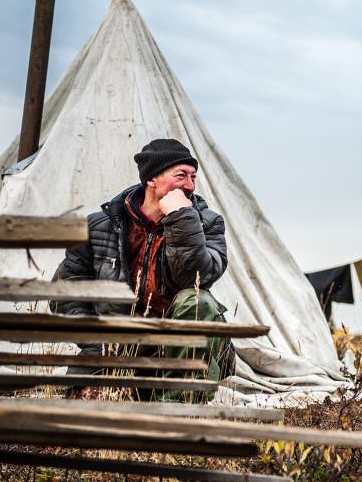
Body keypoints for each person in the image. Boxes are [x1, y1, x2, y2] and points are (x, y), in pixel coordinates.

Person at [51, 138, 234, 400]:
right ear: (151, 179)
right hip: (115, 350)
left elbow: (195, 278)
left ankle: (177, 416)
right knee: (79, 423)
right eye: (180, 175)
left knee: (196, 301)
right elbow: (64, 292)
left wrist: (180, 218)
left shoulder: (207, 224)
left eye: (193, 177)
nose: (190, 185)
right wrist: (99, 344)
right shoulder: (97, 226)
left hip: (175, 350)